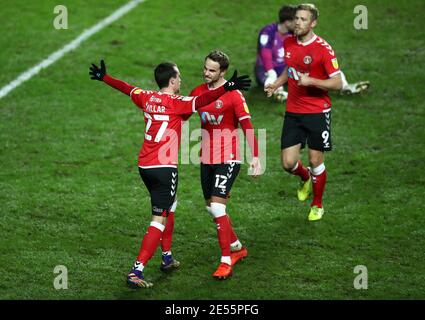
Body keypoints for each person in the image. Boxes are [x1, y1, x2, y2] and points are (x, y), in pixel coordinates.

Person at [89, 59, 251, 288]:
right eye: (179, 77)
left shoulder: (146, 97)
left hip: (144, 166)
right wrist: (228, 86)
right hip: (164, 168)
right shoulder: (178, 102)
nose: (182, 80)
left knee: (170, 205)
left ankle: (166, 256)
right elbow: (204, 99)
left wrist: (105, 78)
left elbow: (126, 88)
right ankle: (137, 269)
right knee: (159, 218)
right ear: (173, 80)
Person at [265, 4, 342, 221]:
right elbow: (290, 69)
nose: (297, 22)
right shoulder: (289, 41)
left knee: (315, 159)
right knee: (288, 163)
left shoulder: (323, 49)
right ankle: (305, 176)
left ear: (313, 23)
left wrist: (312, 81)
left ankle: (317, 204)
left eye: (303, 19)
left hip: (318, 111)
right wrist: (276, 84)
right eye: (296, 18)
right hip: (294, 111)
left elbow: (337, 83)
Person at [190, 50, 262, 279]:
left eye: (212, 70)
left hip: (228, 157)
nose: (206, 73)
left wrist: (256, 157)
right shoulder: (198, 93)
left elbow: (248, 127)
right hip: (206, 158)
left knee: (219, 207)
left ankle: (226, 261)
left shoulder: (234, 95)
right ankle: (238, 248)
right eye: (205, 68)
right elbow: (181, 112)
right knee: (211, 207)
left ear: (223, 72)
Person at [256, 4, 369, 102]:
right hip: (266, 69)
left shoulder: (295, 34)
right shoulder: (269, 32)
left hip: (286, 68)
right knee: (270, 79)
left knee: (326, 69)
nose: (297, 23)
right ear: (287, 22)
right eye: (295, 19)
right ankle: (279, 93)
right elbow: (265, 55)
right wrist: (271, 72)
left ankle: (345, 87)